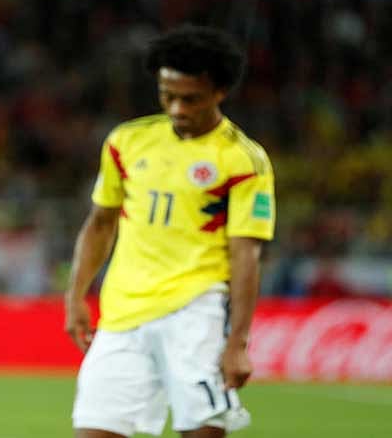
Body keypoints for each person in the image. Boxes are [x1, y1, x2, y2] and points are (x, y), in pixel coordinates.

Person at [65, 25, 275, 438]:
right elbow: (100, 223)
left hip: (195, 311)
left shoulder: (242, 159)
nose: (177, 108)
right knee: (93, 430)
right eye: (168, 95)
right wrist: (75, 296)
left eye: (190, 98)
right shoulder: (128, 141)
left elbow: (246, 252)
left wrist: (238, 342)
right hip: (122, 313)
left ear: (219, 92)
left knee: (202, 431)